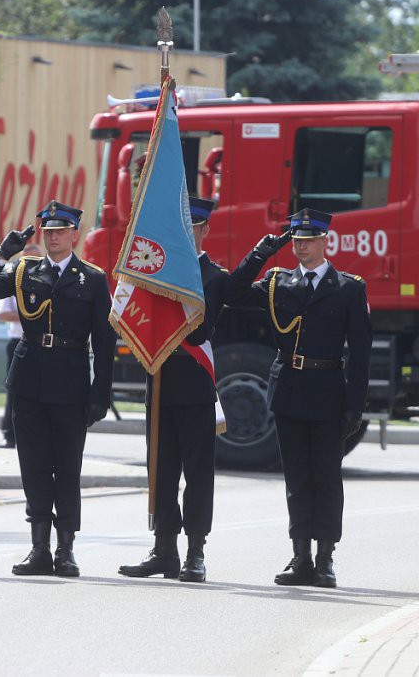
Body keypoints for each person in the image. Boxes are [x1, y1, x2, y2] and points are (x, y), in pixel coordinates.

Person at [0, 201, 116, 577]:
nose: (53, 238)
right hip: (29, 380)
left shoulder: (92, 279)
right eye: (48, 232)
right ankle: (39, 549)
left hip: (71, 382)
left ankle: (65, 549)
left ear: (74, 235)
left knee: (67, 467)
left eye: (60, 231)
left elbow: (105, 341)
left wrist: (101, 393)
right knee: (33, 466)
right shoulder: (24, 271)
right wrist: (3, 253)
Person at [226, 208, 371, 588]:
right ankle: (300, 557)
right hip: (289, 390)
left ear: (325, 241)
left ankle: (325, 559)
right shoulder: (278, 282)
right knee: (296, 478)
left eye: (309, 240)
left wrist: (355, 405)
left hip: (328, 392)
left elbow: (361, 354)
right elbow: (232, 293)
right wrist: (259, 254)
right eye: (296, 240)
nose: (301, 247)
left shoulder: (349, 288)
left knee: (326, 478)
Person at [118, 196, 227, 583]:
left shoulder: (213, 277)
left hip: (194, 384)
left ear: (204, 230)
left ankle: (195, 551)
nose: (186, 233)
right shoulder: (155, 272)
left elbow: (199, 332)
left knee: (197, 473)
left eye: (193, 227)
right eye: (181, 226)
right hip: (160, 381)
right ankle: (164, 549)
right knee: (161, 472)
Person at [0, 242, 41, 449]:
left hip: (42, 343)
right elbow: (2, 313)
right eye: (28, 260)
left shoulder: (50, 279)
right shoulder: (14, 280)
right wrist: (30, 316)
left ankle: (35, 436)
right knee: (14, 390)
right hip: (18, 342)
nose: (32, 264)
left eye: (36, 259)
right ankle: (9, 434)